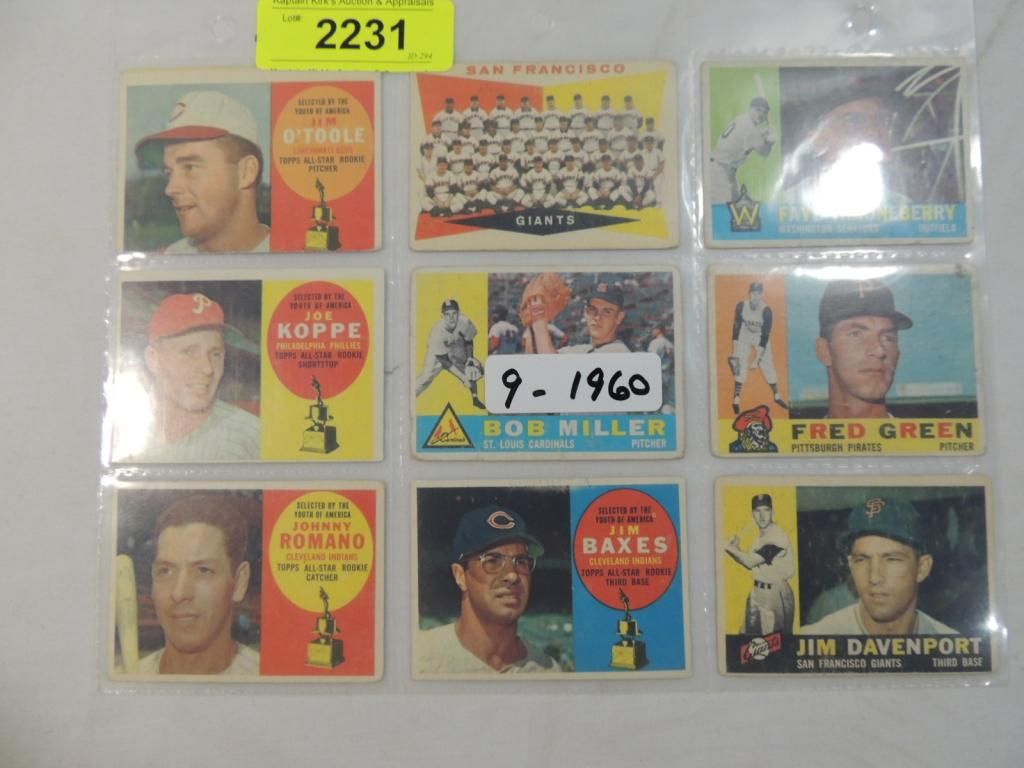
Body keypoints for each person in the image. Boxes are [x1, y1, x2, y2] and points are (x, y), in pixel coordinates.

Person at [417, 504, 560, 674]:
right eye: (492, 561)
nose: (512, 575)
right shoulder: (421, 659)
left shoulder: (547, 671)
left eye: (521, 561)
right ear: (460, 576)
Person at [126, 292, 260, 462]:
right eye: (189, 352)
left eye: (216, 354)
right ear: (153, 359)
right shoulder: (123, 432)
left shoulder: (252, 436)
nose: (208, 368)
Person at [134, 90, 270, 254]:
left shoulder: (289, 256)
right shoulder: (168, 259)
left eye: (190, 167)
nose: (170, 189)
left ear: (246, 172)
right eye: (169, 172)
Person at [141, 494, 260, 675]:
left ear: (239, 582)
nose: (179, 593)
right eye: (165, 571)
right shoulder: (127, 677)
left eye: (203, 570)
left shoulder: (271, 679)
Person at [801, 496, 956, 635]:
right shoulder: (813, 639)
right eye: (862, 559)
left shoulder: (951, 645)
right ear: (850, 565)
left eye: (892, 559)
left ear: (922, 568)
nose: (874, 578)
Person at [815, 279, 912, 418]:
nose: (879, 351)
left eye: (887, 338)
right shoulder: (791, 432)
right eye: (856, 334)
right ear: (824, 351)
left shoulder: (921, 433)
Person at [724, 494, 795, 635]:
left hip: (775, 594)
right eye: (757, 511)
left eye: (766, 510)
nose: (762, 516)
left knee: (773, 642)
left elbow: (750, 562)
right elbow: (749, 560)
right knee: (746, 639)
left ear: (772, 512)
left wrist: (726, 547)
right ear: (753, 514)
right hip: (757, 593)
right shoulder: (760, 537)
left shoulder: (778, 536)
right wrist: (735, 548)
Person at [525, 279, 630, 354]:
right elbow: (537, 357)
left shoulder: (618, 352)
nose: (597, 317)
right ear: (585, 313)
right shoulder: (584, 350)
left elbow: (552, 367)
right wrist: (531, 322)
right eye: (592, 310)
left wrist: (538, 319)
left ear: (619, 317)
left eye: (607, 312)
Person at [729, 281, 788, 415]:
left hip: (759, 335)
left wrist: (756, 359)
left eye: (758, 293)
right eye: (753, 293)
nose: (755, 296)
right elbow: (736, 327)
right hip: (745, 333)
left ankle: (777, 396)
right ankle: (736, 398)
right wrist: (734, 351)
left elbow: (765, 336)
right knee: (740, 362)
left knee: (767, 364)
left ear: (761, 295)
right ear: (749, 294)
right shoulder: (741, 306)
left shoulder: (766, 310)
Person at [415, 299, 485, 409]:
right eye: (447, 314)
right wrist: (463, 378)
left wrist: (470, 359)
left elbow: (468, 340)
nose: (451, 317)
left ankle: (475, 398)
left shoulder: (465, 322)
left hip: (455, 346)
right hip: (438, 356)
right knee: (426, 378)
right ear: (442, 316)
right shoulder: (436, 333)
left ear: (459, 313)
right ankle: (409, 397)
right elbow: (445, 361)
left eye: (454, 313)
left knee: (472, 368)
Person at [707, 96, 776, 204]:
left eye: (764, 112)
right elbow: (765, 152)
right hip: (719, 172)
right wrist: (770, 142)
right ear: (750, 109)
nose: (761, 114)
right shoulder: (750, 129)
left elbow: (748, 138)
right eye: (758, 110)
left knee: (736, 205)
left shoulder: (742, 118)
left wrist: (763, 134)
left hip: (724, 170)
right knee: (725, 208)